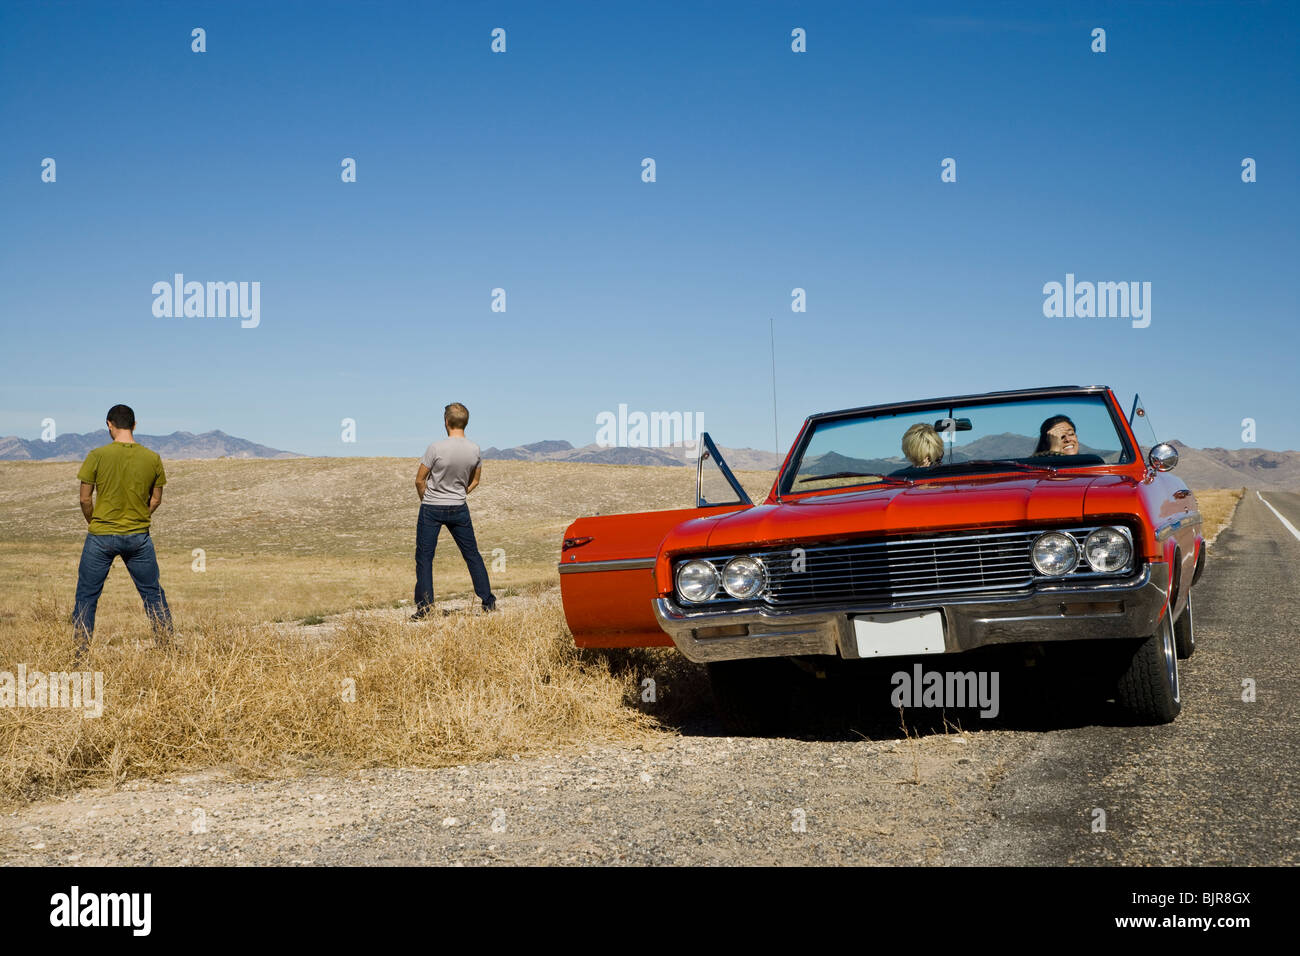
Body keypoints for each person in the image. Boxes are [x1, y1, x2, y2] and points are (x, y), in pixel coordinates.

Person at [72, 404, 173, 656]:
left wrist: (94, 522)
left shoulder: (96, 455)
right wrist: (139, 518)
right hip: (139, 537)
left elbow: (85, 499)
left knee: (87, 596)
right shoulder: (152, 458)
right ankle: (168, 649)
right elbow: (156, 499)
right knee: (152, 593)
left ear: (109, 424)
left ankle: (80, 654)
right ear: (135, 425)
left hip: (101, 536)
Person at [412, 403, 496, 619]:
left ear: (446, 422)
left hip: (431, 507)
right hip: (458, 506)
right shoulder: (475, 449)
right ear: (465, 422)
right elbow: (475, 480)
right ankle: (488, 601)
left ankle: (424, 609)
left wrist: (428, 500)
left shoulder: (435, 448)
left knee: (425, 558)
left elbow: (419, 480)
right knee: (471, 555)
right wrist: (459, 493)